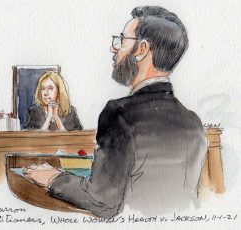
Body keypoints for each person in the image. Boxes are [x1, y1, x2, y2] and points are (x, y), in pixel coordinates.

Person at [24, 6, 207, 217]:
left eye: (122, 41)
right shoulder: (193, 122)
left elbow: (102, 201)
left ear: (141, 49)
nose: (114, 50)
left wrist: (52, 178)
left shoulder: (119, 113)